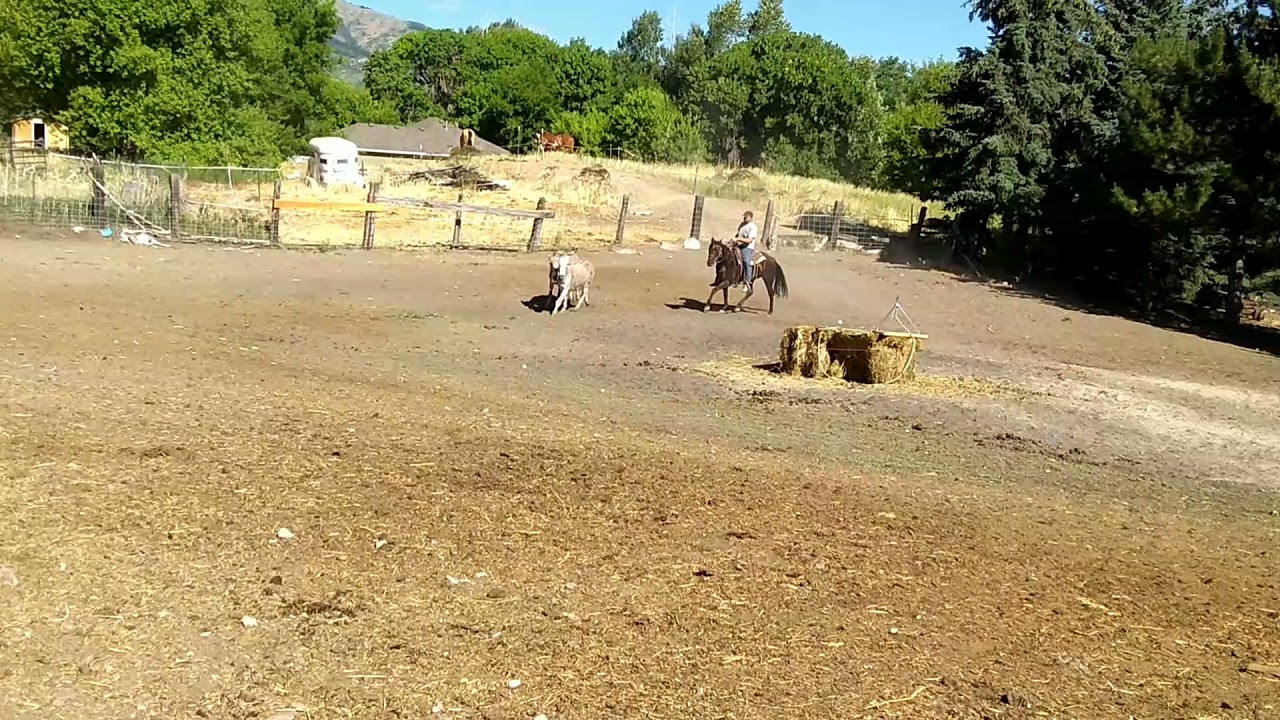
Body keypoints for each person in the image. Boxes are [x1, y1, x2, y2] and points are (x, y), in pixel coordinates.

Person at [734, 210, 759, 288]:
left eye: (746, 217)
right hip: (738, 245)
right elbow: (738, 234)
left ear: (751, 218)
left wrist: (738, 239)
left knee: (746, 261)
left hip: (747, 247)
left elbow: (749, 240)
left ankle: (748, 281)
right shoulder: (742, 225)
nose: (744, 218)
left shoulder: (753, 227)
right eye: (744, 217)